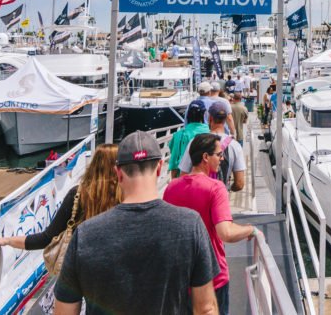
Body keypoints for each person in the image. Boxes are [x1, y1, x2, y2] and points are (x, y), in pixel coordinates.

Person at [53, 131, 218, 315]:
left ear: (118, 173)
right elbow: (205, 308)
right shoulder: (190, 225)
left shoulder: (86, 234)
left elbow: (64, 311)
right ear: (159, 168)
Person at [164, 133, 259, 314]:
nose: (222, 159)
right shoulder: (216, 188)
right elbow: (226, 233)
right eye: (219, 154)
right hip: (211, 277)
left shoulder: (171, 188)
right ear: (205, 157)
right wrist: (251, 230)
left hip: (181, 278)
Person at [0, 143, 123, 254]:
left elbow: (46, 238)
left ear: (94, 166)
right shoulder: (126, 196)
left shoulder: (77, 195)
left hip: (81, 270)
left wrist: (7, 241)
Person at [180, 101, 245, 191]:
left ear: (209, 117)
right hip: (220, 198)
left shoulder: (195, 141)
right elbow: (239, 184)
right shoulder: (235, 145)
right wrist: (227, 188)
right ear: (226, 118)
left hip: (197, 195)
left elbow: (183, 175)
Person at [168, 102, 210, 178]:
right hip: (206, 179)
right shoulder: (210, 133)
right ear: (204, 114)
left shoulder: (179, 134)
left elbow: (174, 162)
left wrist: (174, 183)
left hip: (183, 180)